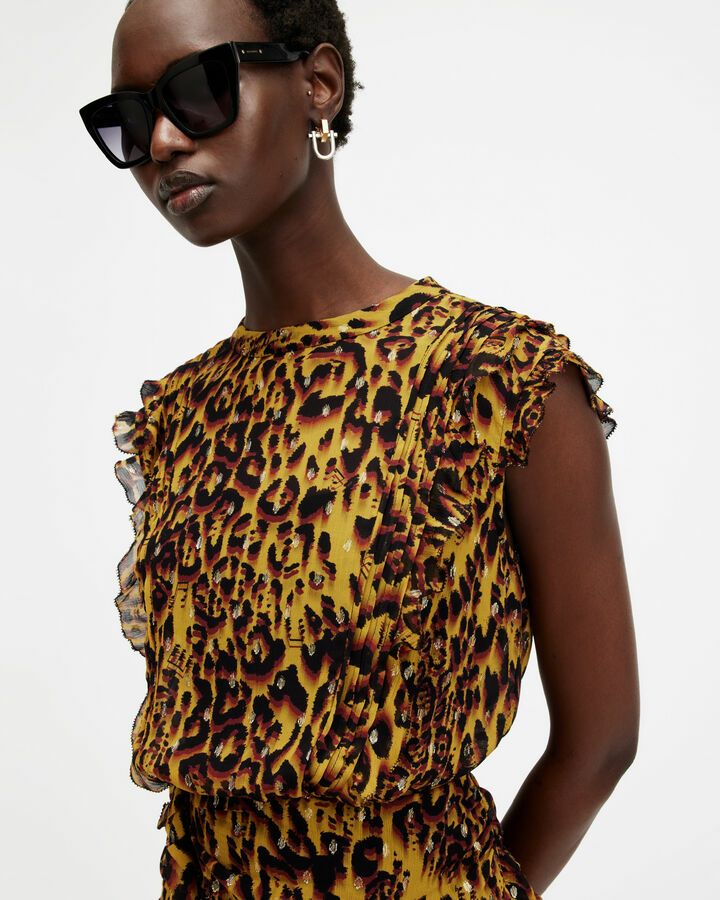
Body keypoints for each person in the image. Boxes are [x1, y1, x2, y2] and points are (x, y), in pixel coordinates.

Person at [80, 0, 640, 896]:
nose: (161, 143)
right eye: (129, 119)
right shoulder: (180, 418)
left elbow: (601, 741)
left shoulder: (497, 379)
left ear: (318, 84)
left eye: (198, 91)